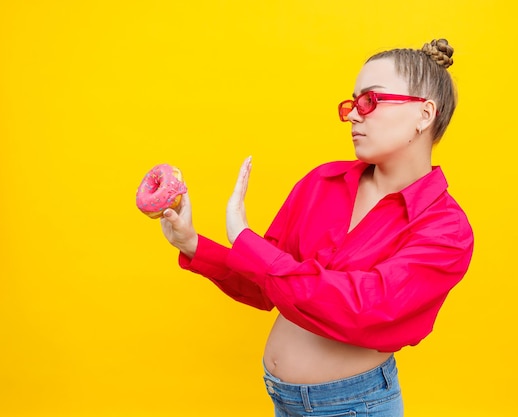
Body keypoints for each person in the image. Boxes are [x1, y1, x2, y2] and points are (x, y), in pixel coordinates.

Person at [159, 38, 473, 417]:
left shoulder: (446, 229)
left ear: (424, 115)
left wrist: (246, 240)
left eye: (370, 101)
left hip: (354, 407)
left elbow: (364, 307)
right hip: (282, 401)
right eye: (353, 103)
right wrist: (193, 244)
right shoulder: (323, 182)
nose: (354, 115)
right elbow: (265, 285)